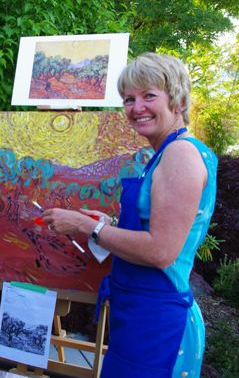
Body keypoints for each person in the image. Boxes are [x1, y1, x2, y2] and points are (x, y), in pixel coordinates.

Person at [42, 53, 217, 377]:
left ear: (177, 99)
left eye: (149, 96)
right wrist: (111, 226)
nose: (137, 108)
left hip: (157, 324)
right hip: (140, 315)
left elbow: (160, 251)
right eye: (129, 99)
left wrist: (86, 226)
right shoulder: (168, 150)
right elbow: (158, 231)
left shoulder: (180, 154)